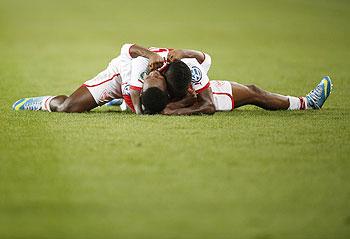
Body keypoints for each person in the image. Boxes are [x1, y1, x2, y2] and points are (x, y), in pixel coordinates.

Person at [12, 44, 165, 112]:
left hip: (138, 88)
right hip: (117, 79)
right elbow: (127, 48)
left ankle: (121, 101)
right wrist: (150, 55)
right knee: (67, 107)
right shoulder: (157, 59)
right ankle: (42, 102)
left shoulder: (177, 70)